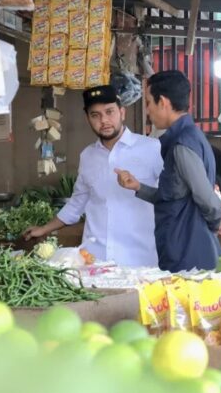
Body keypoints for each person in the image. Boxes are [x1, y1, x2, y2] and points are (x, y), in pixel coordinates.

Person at [23, 85, 162, 267]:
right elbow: (76, 203)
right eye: (95, 115)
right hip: (95, 261)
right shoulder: (88, 156)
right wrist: (44, 229)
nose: (104, 120)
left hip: (139, 261)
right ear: (87, 118)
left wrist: (139, 187)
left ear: (122, 113)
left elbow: (170, 198)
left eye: (109, 112)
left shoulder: (152, 149)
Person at [115, 70, 221, 272]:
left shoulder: (182, 145)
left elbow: (206, 198)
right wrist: (139, 187)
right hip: (182, 248)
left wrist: (216, 222)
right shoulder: (189, 136)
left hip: (188, 254)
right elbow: (174, 196)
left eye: (149, 102)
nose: (147, 110)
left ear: (163, 102)